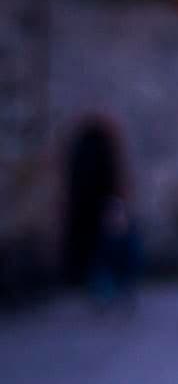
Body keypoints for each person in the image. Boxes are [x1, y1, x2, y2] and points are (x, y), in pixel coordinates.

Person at [62, 117, 141, 307]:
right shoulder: (106, 233)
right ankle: (105, 297)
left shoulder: (124, 233)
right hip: (107, 265)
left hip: (118, 268)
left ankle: (114, 296)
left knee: (112, 279)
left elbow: (131, 254)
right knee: (103, 277)